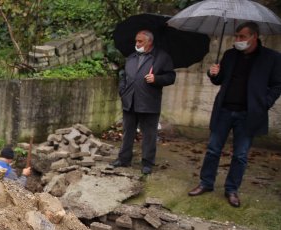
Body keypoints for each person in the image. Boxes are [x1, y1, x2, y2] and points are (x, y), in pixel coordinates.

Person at [188, 22, 281, 208]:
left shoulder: (271, 58)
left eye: (242, 37)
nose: (237, 40)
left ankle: (231, 189)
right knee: (213, 149)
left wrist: (264, 103)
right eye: (236, 36)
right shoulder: (230, 55)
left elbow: (277, 85)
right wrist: (213, 73)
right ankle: (206, 183)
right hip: (224, 111)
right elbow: (219, 80)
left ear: (254, 36)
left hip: (248, 114)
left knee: (240, 155)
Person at [113, 30, 176, 174]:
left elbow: (171, 77)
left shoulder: (161, 57)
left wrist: (157, 79)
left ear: (149, 42)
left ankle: (147, 163)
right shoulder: (131, 57)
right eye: (136, 41)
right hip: (130, 101)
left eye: (140, 41)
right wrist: (123, 92)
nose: (137, 44)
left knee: (149, 134)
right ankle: (123, 159)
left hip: (149, 102)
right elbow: (124, 76)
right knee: (128, 131)